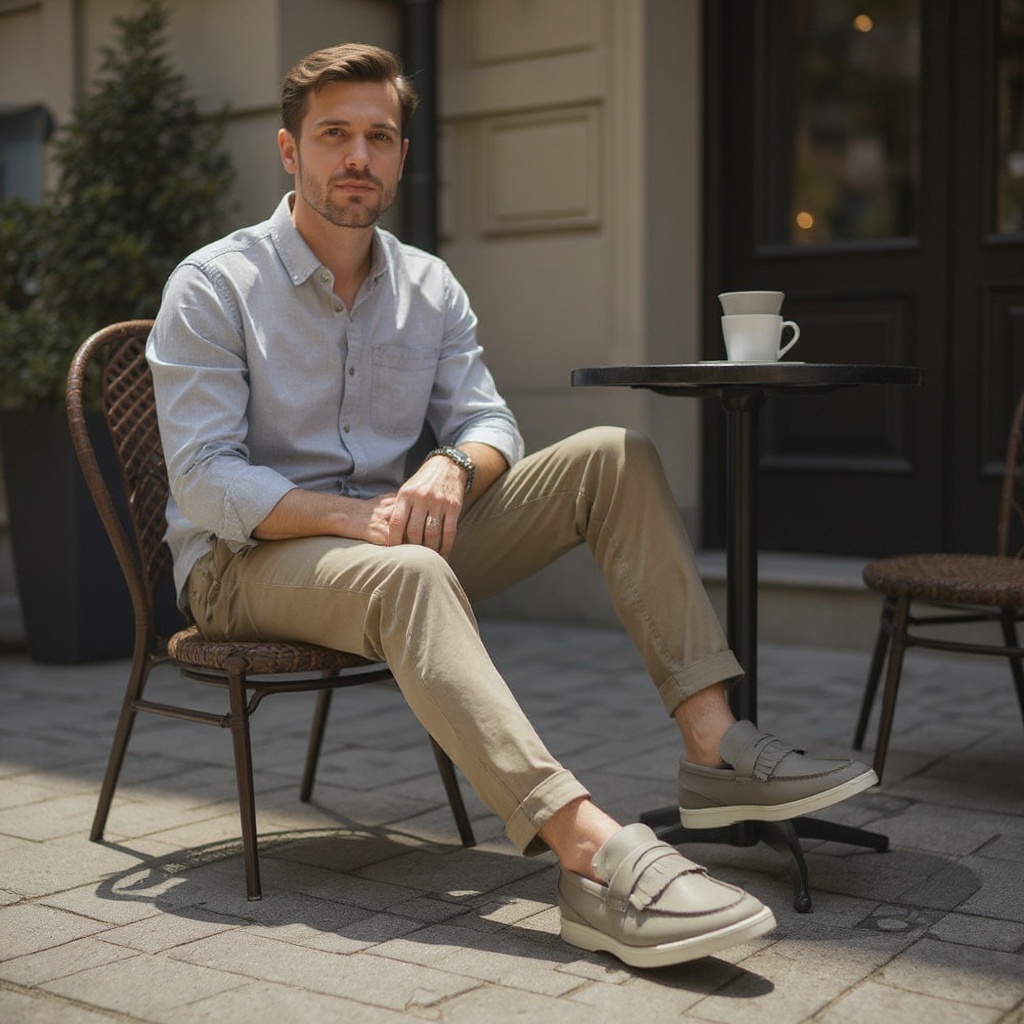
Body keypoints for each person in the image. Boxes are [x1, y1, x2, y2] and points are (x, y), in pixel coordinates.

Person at [147, 42, 877, 969]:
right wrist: (353, 518)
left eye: (379, 136)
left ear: (404, 153)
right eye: (334, 136)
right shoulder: (215, 285)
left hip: (384, 548)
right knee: (408, 569)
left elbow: (489, 419)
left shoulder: (428, 286)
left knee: (612, 456)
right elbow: (205, 476)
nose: (358, 158)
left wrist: (453, 465)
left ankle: (714, 748)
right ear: (290, 153)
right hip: (242, 563)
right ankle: (591, 857)